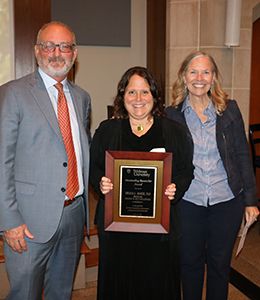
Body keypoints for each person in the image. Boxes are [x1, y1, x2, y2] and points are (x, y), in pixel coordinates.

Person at [0, 21, 91, 300]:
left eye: (64, 46)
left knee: (61, 293)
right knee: (24, 295)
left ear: (74, 54)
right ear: (37, 51)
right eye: (49, 45)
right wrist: (9, 220)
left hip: (74, 215)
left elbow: (77, 151)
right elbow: (2, 161)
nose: (56, 53)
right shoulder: (13, 93)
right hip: (28, 222)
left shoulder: (82, 97)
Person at [90, 66, 194, 300]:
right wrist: (101, 182)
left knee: (157, 284)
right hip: (117, 229)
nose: (138, 99)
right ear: (122, 96)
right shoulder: (107, 131)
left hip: (159, 230)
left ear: (155, 96)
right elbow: (93, 167)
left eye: (145, 92)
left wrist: (176, 187)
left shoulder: (174, 132)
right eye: (131, 92)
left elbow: (186, 170)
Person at [165, 50, 259, 300]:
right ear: (184, 77)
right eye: (193, 71)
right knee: (190, 264)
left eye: (205, 72)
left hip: (226, 200)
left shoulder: (229, 110)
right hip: (188, 201)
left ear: (213, 77)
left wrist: (251, 200)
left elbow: (241, 154)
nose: (199, 77)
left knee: (219, 266)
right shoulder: (171, 115)